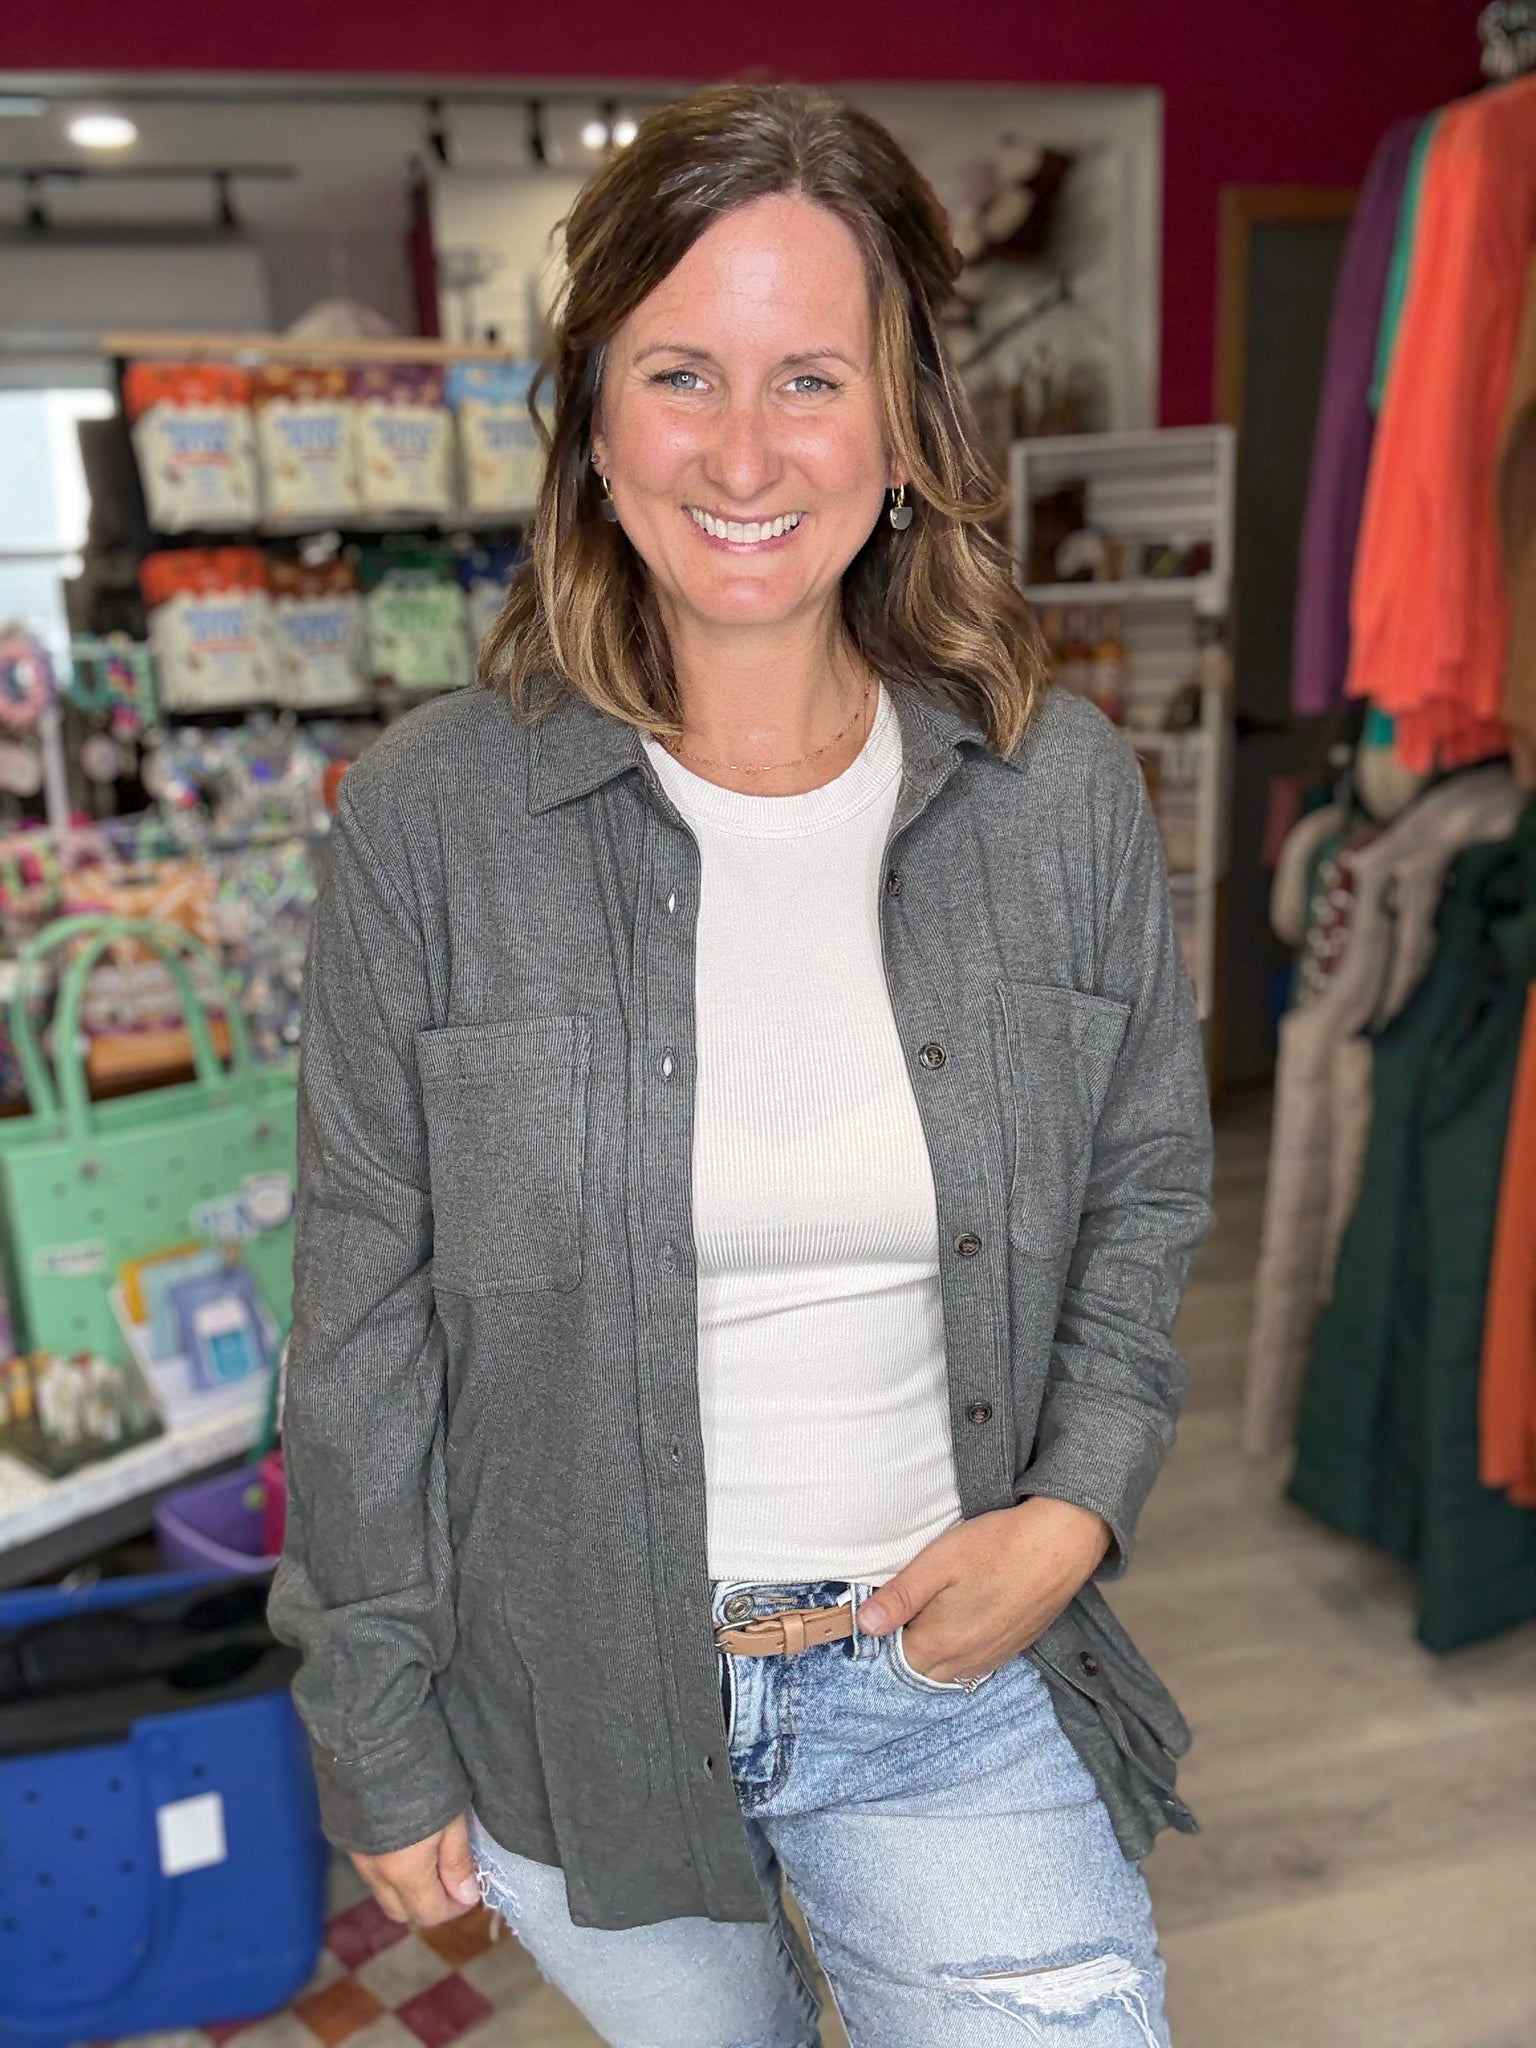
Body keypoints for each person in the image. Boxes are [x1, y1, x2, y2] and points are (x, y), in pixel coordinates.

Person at [270, 81, 1213, 2048]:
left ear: (904, 422)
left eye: (811, 378)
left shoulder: (1053, 794)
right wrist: (374, 1722)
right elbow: (360, 1325)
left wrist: (1074, 1508)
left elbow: (1146, 1193)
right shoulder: (435, 820)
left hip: (941, 1675)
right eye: (681, 374)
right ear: (595, 421)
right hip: (567, 1705)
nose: (746, 451)